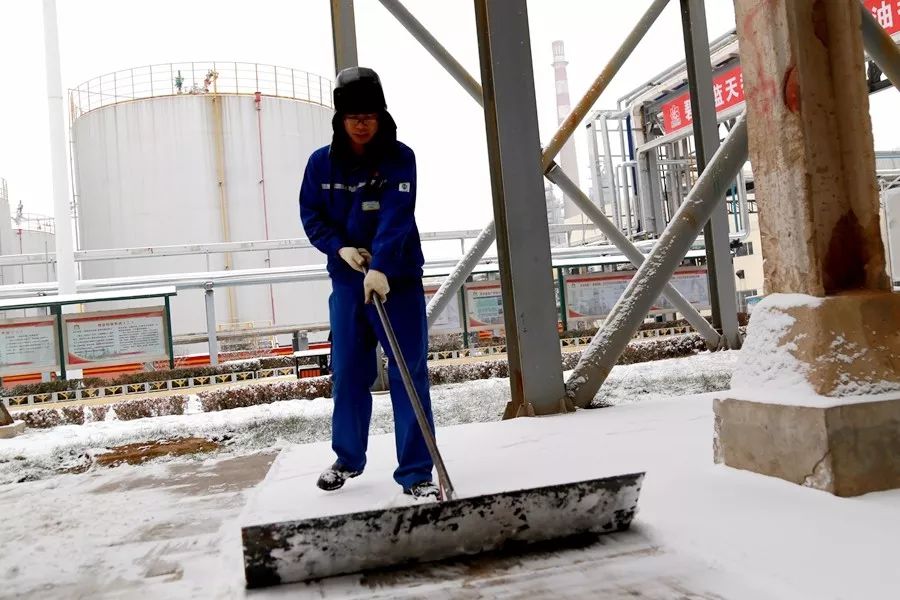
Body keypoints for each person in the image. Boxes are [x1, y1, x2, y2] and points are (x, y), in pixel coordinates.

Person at [299, 67, 438, 500]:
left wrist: (381, 265)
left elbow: (398, 215)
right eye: (352, 115)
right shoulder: (321, 164)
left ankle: (416, 472)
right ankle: (348, 458)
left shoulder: (400, 157)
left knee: (408, 373)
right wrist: (339, 247)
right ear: (340, 119)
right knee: (347, 372)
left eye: (369, 114)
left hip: (396, 279)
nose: (361, 122)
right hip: (346, 282)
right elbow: (311, 215)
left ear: (381, 116)